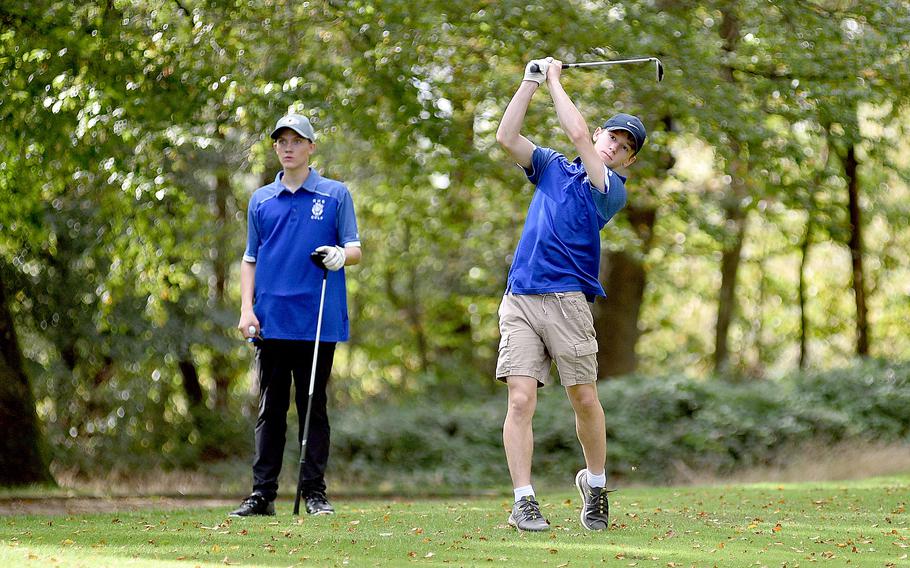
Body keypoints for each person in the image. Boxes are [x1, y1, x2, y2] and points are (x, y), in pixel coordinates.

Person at [494, 57, 646, 532]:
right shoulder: (551, 168)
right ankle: (524, 501)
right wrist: (529, 83)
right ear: (603, 133)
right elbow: (507, 138)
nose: (615, 147)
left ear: (627, 160)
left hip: (567, 301)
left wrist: (556, 80)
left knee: (583, 397)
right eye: (612, 137)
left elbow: (578, 135)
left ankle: (596, 486)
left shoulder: (609, 189)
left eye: (624, 147)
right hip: (520, 297)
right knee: (520, 400)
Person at [231, 113, 362, 517]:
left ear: (310, 147)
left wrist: (341, 256)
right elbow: (250, 259)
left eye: (296, 140)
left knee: (313, 408)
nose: (288, 147)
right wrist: (246, 308)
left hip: (317, 318)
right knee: (270, 408)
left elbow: (355, 248)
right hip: (271, 319)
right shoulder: (261, 199)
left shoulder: (334, 195)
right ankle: (262, 495)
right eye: (281, 141)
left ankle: (314, 494)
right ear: (275, 147)